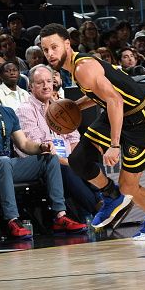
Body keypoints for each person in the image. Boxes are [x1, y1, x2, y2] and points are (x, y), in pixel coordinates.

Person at [40, 24, 145, 240]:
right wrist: (74, 106)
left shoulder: (83, 68)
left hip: (140, 118)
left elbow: (115, 100)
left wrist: (114, 145)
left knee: (128, 185)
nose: (50, 53)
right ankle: (111, 196)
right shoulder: (74, 67)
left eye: (54, 47)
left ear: (67, 44)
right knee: (78, 160)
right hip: (115, 111)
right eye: (45, 50)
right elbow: (100, 96)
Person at [0, 66, 87, 239]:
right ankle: (12, 219)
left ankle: (60, 216)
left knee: (49, 159)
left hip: (7, 165)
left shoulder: (8, 112)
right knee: (4, 161)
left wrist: (41, 147)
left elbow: (24, 144)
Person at [16, 64, 105, 220]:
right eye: (40, 82)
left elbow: (73, 139)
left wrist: (76, 159)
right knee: (67, 170)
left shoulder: (61, 107)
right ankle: (100, 210)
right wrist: (70, 163)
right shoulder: (25, 110)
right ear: (30, 87)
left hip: (66, 159)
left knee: (91, 162)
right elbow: (38, 146)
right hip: (42, 162)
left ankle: (105, 202)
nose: (46, 86)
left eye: (49, 81)